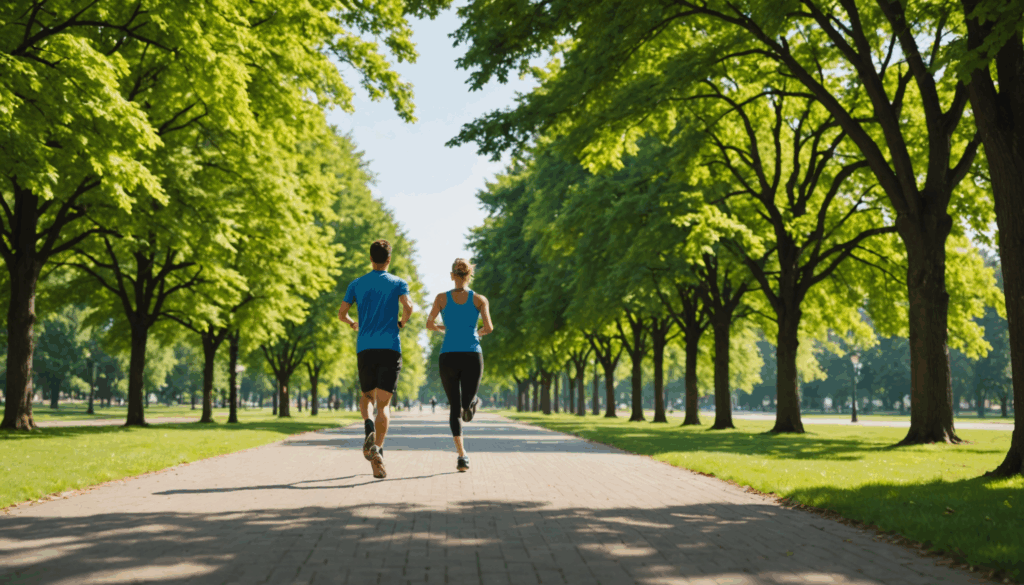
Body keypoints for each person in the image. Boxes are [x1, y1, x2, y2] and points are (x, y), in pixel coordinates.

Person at [338, 239, 414, 479]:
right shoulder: (398, 282)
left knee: (367, 396)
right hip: (390, 347)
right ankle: (378, 451)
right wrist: (402, 322)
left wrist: (353, 324)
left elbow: (342, 313)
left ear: (370, 258)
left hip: (366, 348)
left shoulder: (356, 283)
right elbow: (409, 306)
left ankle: (367, 425)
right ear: (389, 259)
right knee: (384, 405)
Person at [426, 258, 494, 472]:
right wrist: (476, 333)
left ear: (452, 275)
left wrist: (444, 329)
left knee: (455, 407)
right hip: (472, 354)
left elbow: (429, 324)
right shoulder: (480, 299)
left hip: (448, 356)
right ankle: (472, 403)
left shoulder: (441, 298)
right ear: (470, 275)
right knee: (464, 405)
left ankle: (462, 455)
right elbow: (489, 327)